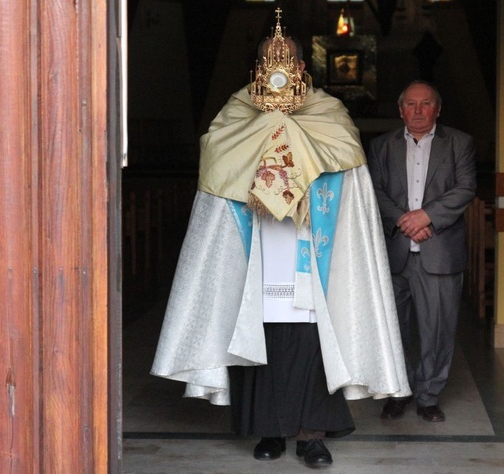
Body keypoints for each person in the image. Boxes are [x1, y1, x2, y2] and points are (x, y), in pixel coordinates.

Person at [151, 9, 410, 469]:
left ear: (303, 66)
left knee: (311, 346)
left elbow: (350, 176)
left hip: (311, 246)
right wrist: (263, 145)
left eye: (288, 57)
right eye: (272, 58)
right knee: (259, 341)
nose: (281, 65)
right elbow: (217, 158)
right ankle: (268, 430)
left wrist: (298, 148)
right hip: (257, 249)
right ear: (256, 67)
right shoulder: (236, 112)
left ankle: (312, 436)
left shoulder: (327, 111)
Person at [367, 80, 476, 423]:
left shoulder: (459, 143)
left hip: (439, 252)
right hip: (395, 252)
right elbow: (374, 190)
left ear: (437, 109)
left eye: (425, 103)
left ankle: (429, 395)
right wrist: (405, 220)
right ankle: (398, 392)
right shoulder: (381, 146)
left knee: (438, 329)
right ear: (400, 110)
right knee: (393, 328)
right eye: (410, 104)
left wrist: (427, 217)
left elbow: (466, 188)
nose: (417, 111)